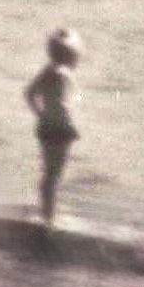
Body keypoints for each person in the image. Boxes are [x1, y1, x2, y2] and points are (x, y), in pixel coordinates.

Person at [24, 29, 82, 223]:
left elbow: (29, 93)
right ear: (71, 54)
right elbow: (62, 105)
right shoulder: (63, 73)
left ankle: (46, 214)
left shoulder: (47, 70)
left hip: (45, 127)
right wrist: (70, 127)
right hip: (59, 129)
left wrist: (40, 114)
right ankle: (49, 219)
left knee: (49, 173)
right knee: (54, 175)